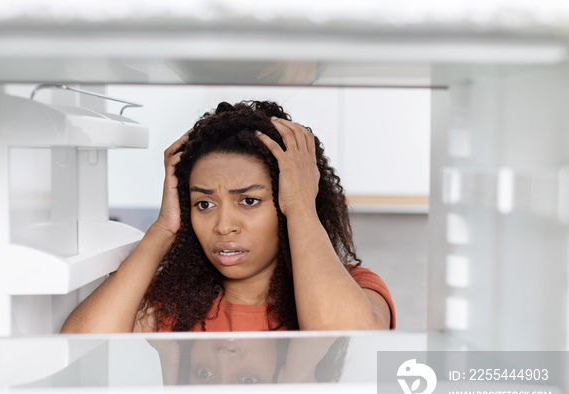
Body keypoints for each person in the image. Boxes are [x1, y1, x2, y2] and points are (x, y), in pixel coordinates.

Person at [61, 100, 395, 333]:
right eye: (204, 204)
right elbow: (79, 352)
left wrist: (302, 209)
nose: (223, 226)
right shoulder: (173, 302)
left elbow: (346, 340)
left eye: (249, 200)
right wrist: (163, 230)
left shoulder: (358, 288)